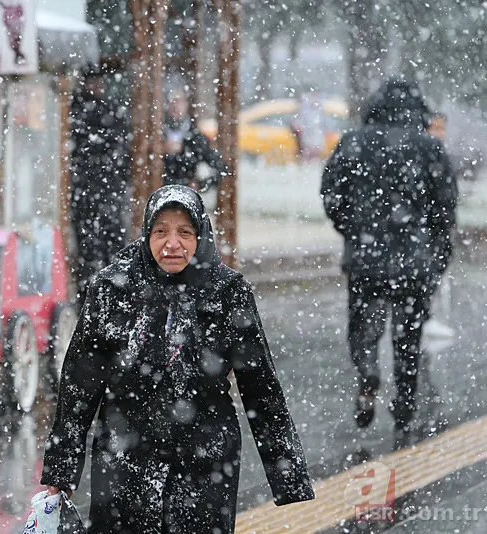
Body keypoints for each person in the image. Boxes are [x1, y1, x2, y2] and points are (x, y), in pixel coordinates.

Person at [41, 185, 314, 532]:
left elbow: (261, 387)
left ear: (201, 236)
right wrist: (60, 472)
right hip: (124, 455)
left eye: (185, 232)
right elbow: (78, 386)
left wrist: (287, 475)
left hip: (206, 459)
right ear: (146, 234)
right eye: (161, 232)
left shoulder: (227, 293)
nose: (172, 243)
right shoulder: (113, 289)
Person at [321, 79, 458, 440]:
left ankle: (367, 370)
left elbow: (332, 195)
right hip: (414, 262)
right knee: (408, 335)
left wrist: (354, 230)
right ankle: (405, 403)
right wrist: (437, 254)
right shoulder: (430, 148)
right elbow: (445, 210)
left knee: (363, 325)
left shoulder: (353, 143)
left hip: (365, 258)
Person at [69, 67, 130, 306]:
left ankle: (108, 297)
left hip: (101, 192)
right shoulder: (83, 109)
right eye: (93, 82)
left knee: (107, 247)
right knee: (91, 250)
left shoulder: (107, 110)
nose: (97, 87)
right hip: (92, 193)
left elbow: (119, 151)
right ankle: (94, 298)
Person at [163, 88, 228, 189]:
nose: (175, 105)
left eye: (179, 101)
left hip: (185, 199)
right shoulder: (155, 134)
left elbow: (221, 169)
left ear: (186, 104)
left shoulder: (196, 138)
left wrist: (199, 185)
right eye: (172, 101)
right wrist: (160, 149)